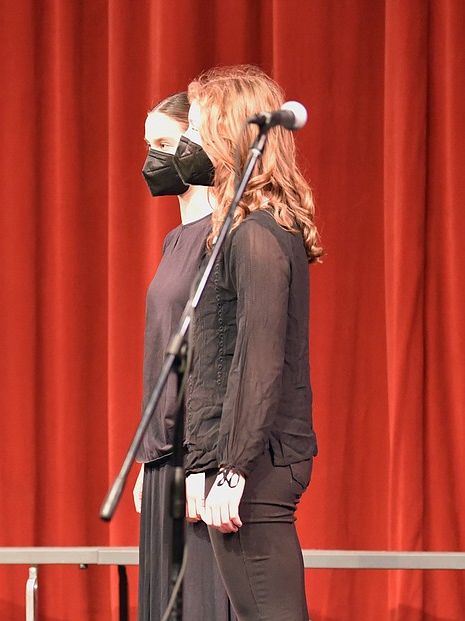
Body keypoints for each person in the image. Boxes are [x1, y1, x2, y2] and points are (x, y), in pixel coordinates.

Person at [177, 65, 322, 621]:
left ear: (228, 136)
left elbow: (258, 362)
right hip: (238, 457)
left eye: (195, 128)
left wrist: (232, 468)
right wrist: (203, 461)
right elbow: (215, 360)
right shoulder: (238, 229)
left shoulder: (258, 235)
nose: (187, 144)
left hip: (256, 464)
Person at [134, 92, 235, 621]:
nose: (152, 157)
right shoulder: (176, 239)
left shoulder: (225, 237)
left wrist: (206, 463)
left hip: (197, 453)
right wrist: (146, 460)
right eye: (148, 145)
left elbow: (217, 359)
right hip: (162, 459)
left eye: (166, 144)